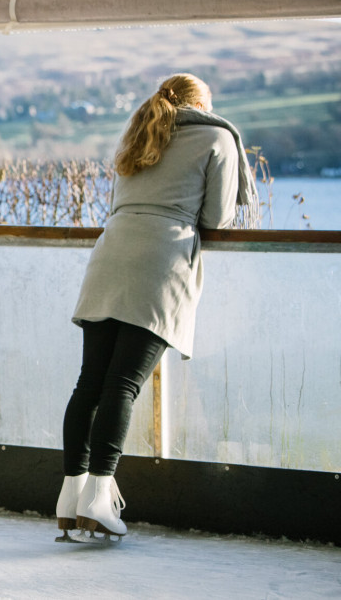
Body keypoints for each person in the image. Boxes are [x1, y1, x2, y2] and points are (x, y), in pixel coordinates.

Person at [56, 73, 258, 543]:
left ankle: (70, 498)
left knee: (91, 382)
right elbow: (215, 218)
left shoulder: (140, 129)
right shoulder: (217, 136)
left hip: (111, 253)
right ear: (203, 104)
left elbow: (118, 201)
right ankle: (100, 501)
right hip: (160, 261)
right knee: (123, 384)